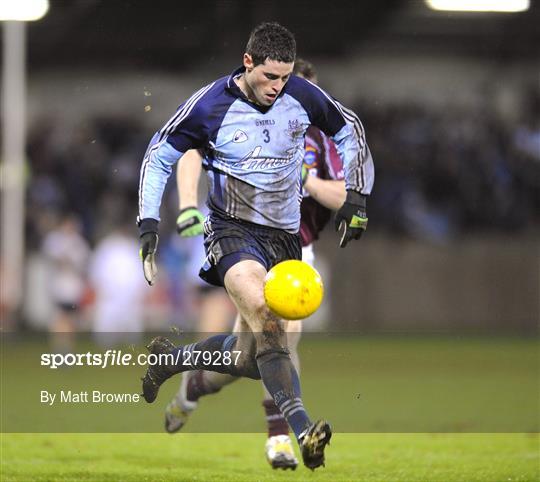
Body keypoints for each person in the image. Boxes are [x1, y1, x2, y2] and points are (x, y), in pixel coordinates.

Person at [137, 22, 374, 470]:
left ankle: (173, 362)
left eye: (285, 79)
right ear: (248, 62)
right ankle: (301, 433)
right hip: (232, 233)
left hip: (286, 242)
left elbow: (351, 130)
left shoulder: (302, 101)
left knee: (247, 359)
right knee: (270, 322)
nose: (277, 88)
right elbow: (164, 153)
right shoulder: (210, 106)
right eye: (270, 77)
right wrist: (151, 219)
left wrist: (356, 197)